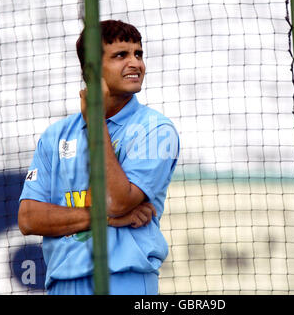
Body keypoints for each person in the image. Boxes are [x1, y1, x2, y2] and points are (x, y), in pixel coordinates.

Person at [18, 20, 180, 295]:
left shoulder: (157, 130)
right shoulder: (55, 135)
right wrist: (106, 218)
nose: (136, 64)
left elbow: (115, 201)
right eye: (121, 55)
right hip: (62, 284)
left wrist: (95, 120)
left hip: (124, 281)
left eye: (138, 54)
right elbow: (29, 219)